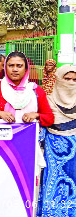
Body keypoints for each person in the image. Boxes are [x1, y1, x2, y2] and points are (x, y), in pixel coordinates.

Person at [37, 65, 76, 217]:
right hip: (54, 157)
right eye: (67, 79)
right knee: (53, 186)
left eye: (75, 80)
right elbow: (40, 129)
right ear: (58, 79)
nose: (71, 83)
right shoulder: (47, 100)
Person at [0, 51, 54, 125]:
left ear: (26, 69)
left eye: (19, 66)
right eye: (11, 65)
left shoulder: (35, 90)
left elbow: (49, 118)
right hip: (2, 135)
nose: (15, 69)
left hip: (29, 135)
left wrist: (36, 115)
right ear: (5, 68)